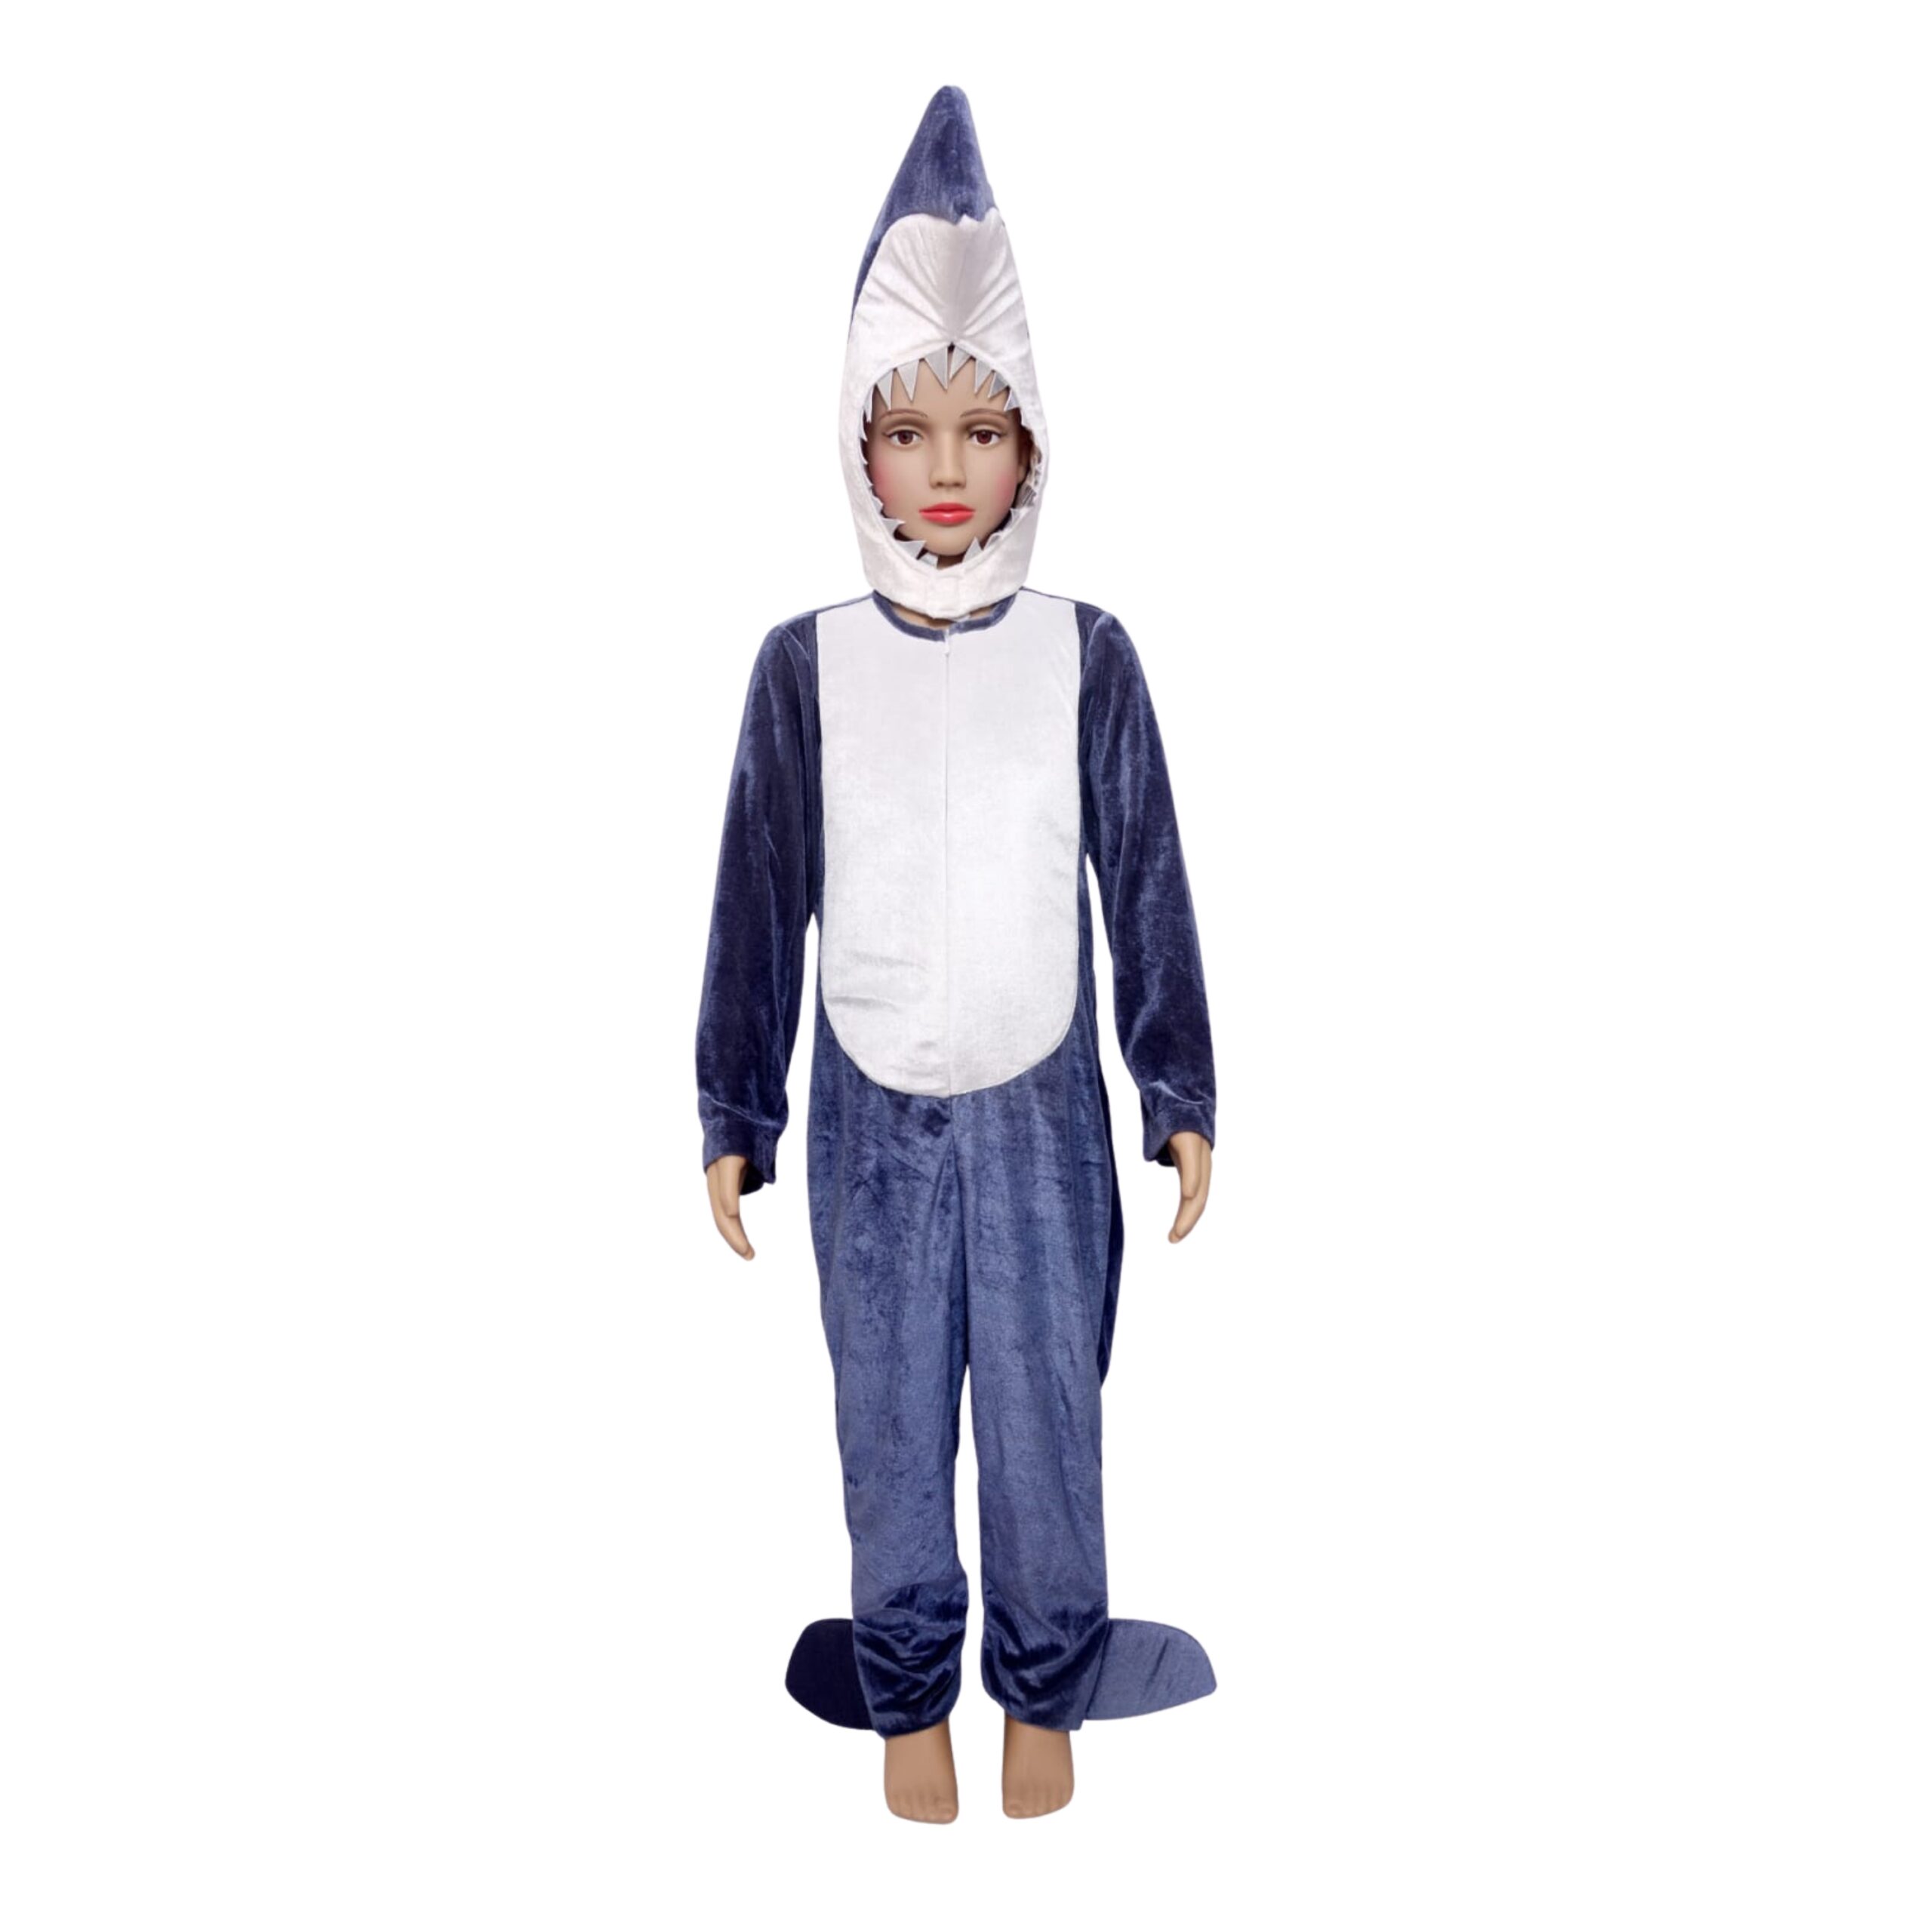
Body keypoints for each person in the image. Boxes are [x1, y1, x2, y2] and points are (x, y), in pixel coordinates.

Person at [694, 85, 1218, 1823]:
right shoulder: (803, 664)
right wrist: (734, 1106)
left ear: (1029, 445)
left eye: (978, 431)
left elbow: (1144, 876)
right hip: (870, 1106)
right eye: (906, 430)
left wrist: (1175, 1086)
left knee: (1050, 1407)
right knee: (888, 1409)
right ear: (856, 446)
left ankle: (1046, 1679)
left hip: (1041, 1093)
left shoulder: (1086, 652)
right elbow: (758, 892)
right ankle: (905, 1684)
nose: (941, 467)